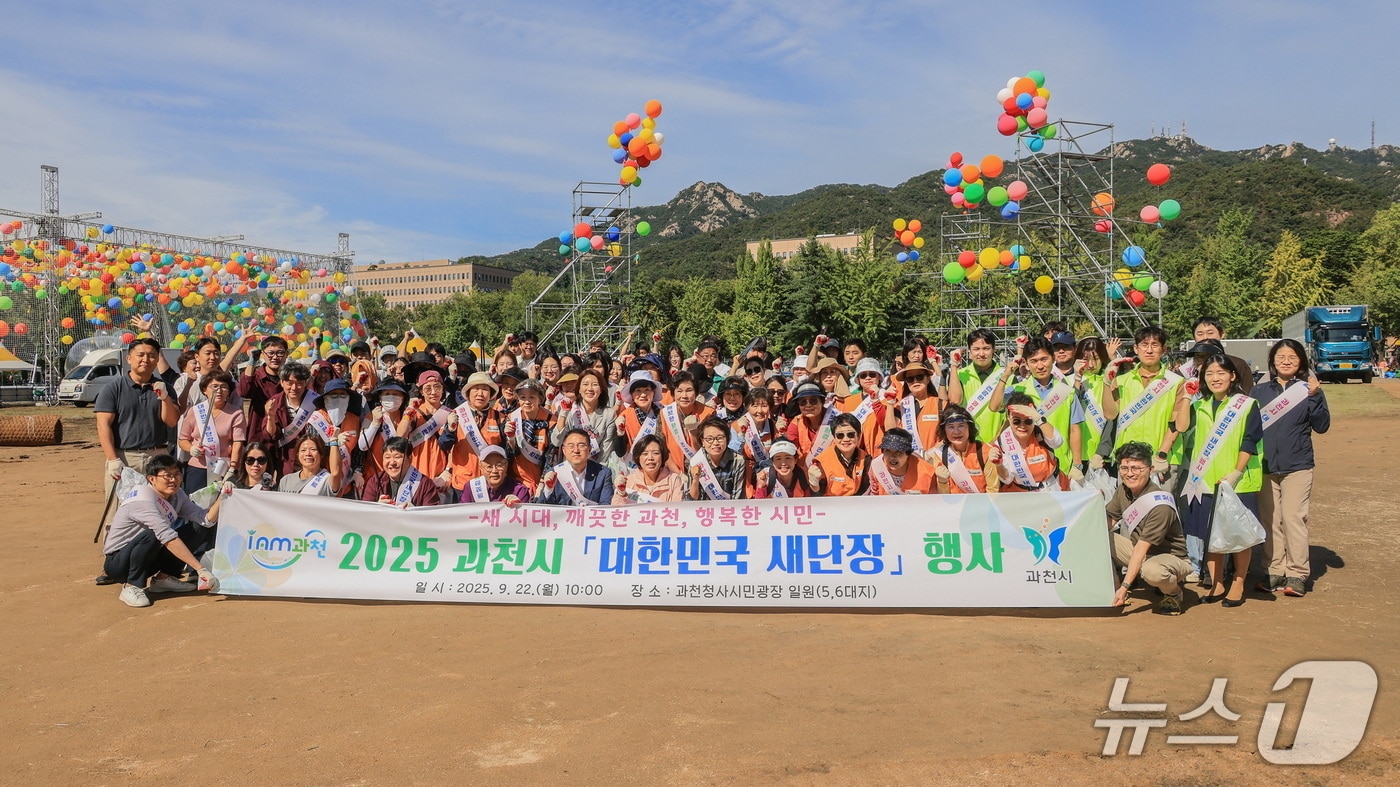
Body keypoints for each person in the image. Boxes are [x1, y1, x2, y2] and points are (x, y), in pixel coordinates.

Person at [1173, 354, 1263, 606]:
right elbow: (1181, 427)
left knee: (1238, 534)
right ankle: (1217, 582)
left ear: (1233, 376)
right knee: (1210, 532)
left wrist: (1237, 471)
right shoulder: (1199, 405)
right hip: (1204, 481)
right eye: (1209, 374)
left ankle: (1238, 581)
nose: (1215, 378)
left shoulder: (1246, 405)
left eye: (1221, 373)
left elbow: (1250, 440)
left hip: (1237, 481)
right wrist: (1187, 396)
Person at [1252, 339, 1330, 597]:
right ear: (1272, 361)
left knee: (1293, 518)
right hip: (1265, 466)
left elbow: (1322, 426)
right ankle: (1273, 570)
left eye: (1292, 357)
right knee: (1270, 520)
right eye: (1281, 357)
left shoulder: (1309, 389)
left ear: (1301, 362)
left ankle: (1297, 574)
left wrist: (1315, 396)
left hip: (1297, 465)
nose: (1286, 361)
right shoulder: (1259, 391)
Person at [101, 454, 224, 608]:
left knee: (198, 528)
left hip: (149, 557)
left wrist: (223, 496)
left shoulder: (177, 495)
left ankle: (163, 579)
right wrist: (201, 569)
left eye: (177, 474)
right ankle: (132, 586)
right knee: (155, 533)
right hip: (119, 563)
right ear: (152, 479)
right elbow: (166, 536)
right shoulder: (142, 498)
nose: (173, 480)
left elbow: (204, 519)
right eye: (167, 476)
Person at [1106, 442, 1193, 615]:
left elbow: (1141, 547)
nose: (1130, 473)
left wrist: (1125, 586)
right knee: (1098, 535)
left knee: (1152, 571)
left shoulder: (1161, 505)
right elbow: (1108, 521)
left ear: (1150, 469)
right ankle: (1113, 588)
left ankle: (1174, 593)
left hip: (1170, 558)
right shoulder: (1123, 490)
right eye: (1124, 468)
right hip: (1141, 552)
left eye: (1136, 468)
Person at [96, 338, 180, 496]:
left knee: (159, 506)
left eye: (152, 356)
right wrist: (113, 459)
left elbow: (171, 421)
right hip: (125, 458)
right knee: (120, 507)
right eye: (140, 355)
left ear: (157, 360)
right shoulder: (113, 388)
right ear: (129, 359)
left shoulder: (166, 388)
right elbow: (103, 425)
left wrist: (165, 398)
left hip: (158, 457)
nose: (146, 359)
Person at [1102, 326, 1184, 487]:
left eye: (1155, 345)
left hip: (1162, 460)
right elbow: (1110, 414)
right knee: (1127, 503)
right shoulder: (1122, 380)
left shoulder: (1176, 382)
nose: (1149, 350)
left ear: (1163, 350)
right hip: (1128, 459)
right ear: (1136, 349)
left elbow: (1176, 423)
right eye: (1144, 345)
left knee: (1160, 503)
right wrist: (1106, 383)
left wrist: (1161, 455)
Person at [997, 337, 1084, 484]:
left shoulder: (1067, 392)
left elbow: (1075, 429)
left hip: (1061, 466)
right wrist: (1005, 375)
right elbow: (995, 406)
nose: (1040, 366)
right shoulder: (1017, 390)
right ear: (1026, 363)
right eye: (1034, 361)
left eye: (1044, 359)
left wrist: (1077, 464)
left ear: (1053, 358)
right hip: (1024, 468)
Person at [176, 368, 246, 495]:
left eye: (224, 387)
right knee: (194, 503)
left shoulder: (236, 413)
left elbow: (237, 443)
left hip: (222, 468)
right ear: (204, 390)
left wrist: (232, 469)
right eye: (214, 386)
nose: (219, 391)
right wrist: (191, 448)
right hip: (198, 468)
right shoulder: (195, 411)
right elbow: (182, 440)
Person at [444, 372, 507, 495]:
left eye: (484, 389)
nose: (480, 394)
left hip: (491, 482)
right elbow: (444, 445)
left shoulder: (500, 417)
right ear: (468, 393)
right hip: (463, 482)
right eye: (476, 389)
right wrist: (450, 429)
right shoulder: (457, 414)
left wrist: (511, 438)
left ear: (491, 394)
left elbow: (506, 451)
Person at [995, 392, 1069, 492]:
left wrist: (1038, 417)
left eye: (1028, 421)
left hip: (1052, 488)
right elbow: (1007, 479)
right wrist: (999, 464)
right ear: (1008, 417)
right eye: (1016, 421)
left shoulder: (1040, 431)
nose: (1022, 426)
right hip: (1023, 495)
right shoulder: (1002, 442)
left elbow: (1057, 442)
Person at [947, 329, 1009, 443]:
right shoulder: (959, 375)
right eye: (976, 349)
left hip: (998, 443)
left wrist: (998, 441)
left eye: (986, 348)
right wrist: (954, 365)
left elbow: (1011, 415)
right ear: (969, 351)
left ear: (994, 349)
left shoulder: (1007, 375)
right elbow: (955, 400)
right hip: (966, 443)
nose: (981, 354)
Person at [398, 369, 453, 493]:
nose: (433, 392)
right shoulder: (415, 413)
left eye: (437, 387)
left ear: (442, 389)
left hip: (441, 476)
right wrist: (408, 412)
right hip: (416, 474)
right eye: (428, 388)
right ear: (421, 391)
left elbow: (455, 448)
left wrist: (448, 470)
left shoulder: (450, 414)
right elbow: (400, 436)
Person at [929, 404, 1001, 495]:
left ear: (969, 427)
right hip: (954, 503)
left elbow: (993, 491)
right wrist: (942, 481)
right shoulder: (940, 454)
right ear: (944, 430)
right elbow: (943, 497)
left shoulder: (985, 451)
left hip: (982, 503)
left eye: (961, 425)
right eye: (951, 427)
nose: (956, 431)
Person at [553, 369, 618, 466]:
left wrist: (596, 471)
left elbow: (605, 449)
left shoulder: (609, 414)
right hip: (571, 466)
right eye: (585, 384)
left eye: (595, 384)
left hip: (596, 467)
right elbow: (556, 441)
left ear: (601, 389)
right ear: (579, 389)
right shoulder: (571, 411)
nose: (590, 388)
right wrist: (564, 413)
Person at [264, 361, 316, 477]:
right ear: (282, 382)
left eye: (299, 383)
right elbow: (271, 435)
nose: (294, 388)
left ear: (306, 383)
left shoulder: (315, 402)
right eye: (289, 383)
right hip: (286, 461)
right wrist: (271, 417)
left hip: (311, 461)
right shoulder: (274, 402)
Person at [537, 428, 614, 505]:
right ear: (564, 450)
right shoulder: (555, 473)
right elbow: (542, 507)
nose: (576, 450)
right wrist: (548, 489)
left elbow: (606, 504)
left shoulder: (603, 473)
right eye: (571, 446)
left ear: (589, 449)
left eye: (581, 445)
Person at [1074, 337, 1117, 470]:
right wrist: (1077, 380)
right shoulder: (1070, 381)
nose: (1091, 364)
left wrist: (1102, 452)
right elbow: (1069, 412)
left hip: (1105, 456)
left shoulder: (1110, 381)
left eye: (1096, 359)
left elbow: (1114, 418)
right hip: (1076, 455)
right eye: (1086, 359)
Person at [236, 335, 289, 444]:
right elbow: (243, 392)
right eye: (270, 353)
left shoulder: (290, 379)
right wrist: (251, 363)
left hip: (286, 435)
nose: (275, 357)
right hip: (259, 436)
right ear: (263, 354)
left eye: (280, 353)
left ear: (286, 354)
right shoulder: (255, 376)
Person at [360, 436, 439, 508]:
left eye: (397, 457)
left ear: (410, 459)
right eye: (387, 457)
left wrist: (415, 511)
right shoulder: (375, 481)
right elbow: (364, 512)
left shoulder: (425, 484)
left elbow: (432, 516)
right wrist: (376, 507)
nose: (392, 462)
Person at [506, 378, 554, 494]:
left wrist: (542, 483)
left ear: (540, 399)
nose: (527, 401)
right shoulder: (512, 418)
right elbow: (510, 453)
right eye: (522, 397)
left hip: (544, 482)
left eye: (532, 397)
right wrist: (511, 439)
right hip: (518, 480)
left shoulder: (551, 420)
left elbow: (552, 455)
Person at [659, 370, 713, 473]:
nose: (684, 395)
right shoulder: (664, 414)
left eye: (689, 390)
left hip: (703, 471)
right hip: (672, 471)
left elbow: (711, 449)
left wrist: (694, 433)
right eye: (679, 391)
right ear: (673, 394)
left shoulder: (708, 414)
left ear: (696, 393)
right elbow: (661, 447)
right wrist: (678, 473)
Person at [885, 361, 940, 458]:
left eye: (919, 377)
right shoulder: (900, 406)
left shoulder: (941, 404)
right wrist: (890, 404)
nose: (915, 381)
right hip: (909, 460)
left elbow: (947, 436)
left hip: (936, 459)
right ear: (906, 382)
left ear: (928, 379)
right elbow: (891, 432)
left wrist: (931, 454)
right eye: (910, 379)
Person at [685, 417, 748, 500]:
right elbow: (690, 501)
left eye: (720, 438)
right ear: (702, 441)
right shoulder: (696, 461)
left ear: (727, 439)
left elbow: (737, 498)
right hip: (703, 508)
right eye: (709, 439)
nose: (715, 443)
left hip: (729, 507)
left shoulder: (738, 460)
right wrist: (695, 480)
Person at [808, 413, 870, 496]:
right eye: (840, 435)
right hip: (831, 502)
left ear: (859, 436)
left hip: (857, 502)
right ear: (834, 438)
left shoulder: (866, 459)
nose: (846, 439)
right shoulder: (821, 462)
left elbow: (866, 488)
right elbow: (818, 493)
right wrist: (814, 484)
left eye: (850, 434)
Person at [357, 380, 409, 478]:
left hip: (401, 474)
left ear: (403, 398)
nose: (391, 397)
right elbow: (363, 446)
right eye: (387, 394)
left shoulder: (407, 417)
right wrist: (375, 423)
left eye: (395, 394)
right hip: (375, 475)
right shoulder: (371, 416)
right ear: (380, 397)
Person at [612, 434, 686, 503]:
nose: (650, 458)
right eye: (645, 454)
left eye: (656, 453)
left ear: (662, 456)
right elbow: (617, 510)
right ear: (638, 457)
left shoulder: (674, 480)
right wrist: (621, 494)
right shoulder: (629, 481)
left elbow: (678, 509)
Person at [1192, 317, 1254, 393]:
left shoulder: (1238, 364)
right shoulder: (1186, 370)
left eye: (1210, 333)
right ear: (1194, 337)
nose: (1205, 337)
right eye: (1200, 334)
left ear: (1222, 334)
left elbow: (1248, 393)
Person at [867, 427, 936, 495]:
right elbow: (875, 495)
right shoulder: (876, 467)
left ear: (908, 454)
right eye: (888, 451)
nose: (892, 456)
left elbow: (933, 499)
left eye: (898, 452)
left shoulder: (926, 472)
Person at [276, 432, 345, 496]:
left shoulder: (327, 480)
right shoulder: (286, 480)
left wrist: (333, 441)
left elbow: (335, 473)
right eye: (303, 450)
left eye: (313, 449)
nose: (308, 454)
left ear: (321, 454)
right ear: (298, 454)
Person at [459, 445, 530, 505]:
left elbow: (525, 515)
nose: (494, 471)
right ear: (481, 468)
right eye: (489, 467)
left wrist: (518, 506)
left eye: (499, 466)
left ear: (506, 466)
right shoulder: (471, 487)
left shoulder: (519, 490)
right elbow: (462, 514)